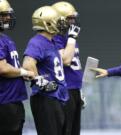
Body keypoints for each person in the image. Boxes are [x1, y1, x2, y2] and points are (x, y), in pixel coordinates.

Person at [22, 6, 69, 135]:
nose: (61, 24)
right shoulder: (37, 42)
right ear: (47, 23)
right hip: (45, 99)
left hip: (56, 98)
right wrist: (41, 82)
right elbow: (28, 64)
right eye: (58, 20)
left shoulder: (52, 41)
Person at [0, 0, 35, 134]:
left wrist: (22, 73)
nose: (8, 18)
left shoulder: (6, 39)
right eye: (3, 15)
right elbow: (2, 68)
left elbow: (11, 66)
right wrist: (22, 71)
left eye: (8, 14)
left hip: (13, 100)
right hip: (4, 102)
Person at [52, 1, 82, 135]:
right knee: (66, 130)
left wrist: (79, 90)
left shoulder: (68, 37)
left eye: (74, 17)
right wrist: (71, 38)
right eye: (70, 18)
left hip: (74, 89)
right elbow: (65, 60)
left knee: (75, 131)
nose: (73, 21)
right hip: (65, 90)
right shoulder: (56, 38)